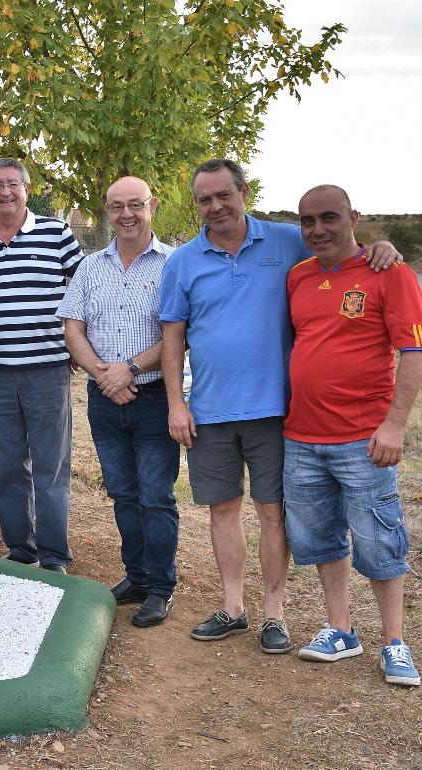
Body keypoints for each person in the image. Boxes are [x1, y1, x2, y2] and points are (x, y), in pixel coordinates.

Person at [160, 158, 400, 653]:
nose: (215, 206)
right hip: (209, 411)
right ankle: (232, 608)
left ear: (243, 192)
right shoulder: (182, 261)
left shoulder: (287, 240)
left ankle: (274, 614)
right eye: (204, 199)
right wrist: (175, 404)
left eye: (224, 194)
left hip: (277, 411)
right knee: (222, 510)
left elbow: (340, 248)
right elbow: (172, 336)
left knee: (273, 513)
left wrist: (382, 246)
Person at [284, 185, 421, 686]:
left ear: (353, 217)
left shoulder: (391, 273)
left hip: (364, 438)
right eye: (308, 221)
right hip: (300, 436)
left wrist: (394, 424)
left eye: (328, 218)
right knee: (320, 539)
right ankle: (340, 629)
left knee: (380, 540)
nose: (318, 229)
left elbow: (413, 351)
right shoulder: (297, 277)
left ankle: (395, 642)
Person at [58, 176, 178, 627]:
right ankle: (137, 576)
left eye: (135, 205)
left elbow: (176, 335)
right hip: (105, 398)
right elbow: (73, 328)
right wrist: (104, 375)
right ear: (106, 211)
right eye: (116, 207)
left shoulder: (173, 265)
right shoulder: (91, 267)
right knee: (123, 493)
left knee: (156, 496)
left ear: (152, 207)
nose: (126, 214)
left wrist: (128, 367)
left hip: (152, 398)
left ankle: (161, 587)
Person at [0, 158, 82, 573]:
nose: (5, 192)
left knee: (51, 466)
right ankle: (20, 549)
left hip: (47, 370)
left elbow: (84, 289)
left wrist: (77, 344)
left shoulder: (57, 232)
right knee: (9, 466)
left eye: (13, 184)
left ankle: (53, 556)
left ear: (27, 189)